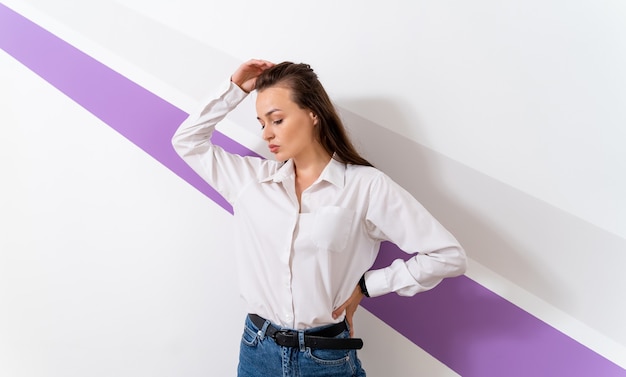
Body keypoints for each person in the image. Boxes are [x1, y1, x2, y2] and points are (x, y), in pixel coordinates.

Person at [172, 59, 467, 377]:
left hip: (326, 359)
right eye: (262, 123)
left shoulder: (365, 186)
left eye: (277, 119)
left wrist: (368, 285)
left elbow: (447, 256)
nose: (267, 134)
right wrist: (233, 89)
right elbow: (187, 141)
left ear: (313, 113)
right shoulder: (250, 181)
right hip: (257, 350)